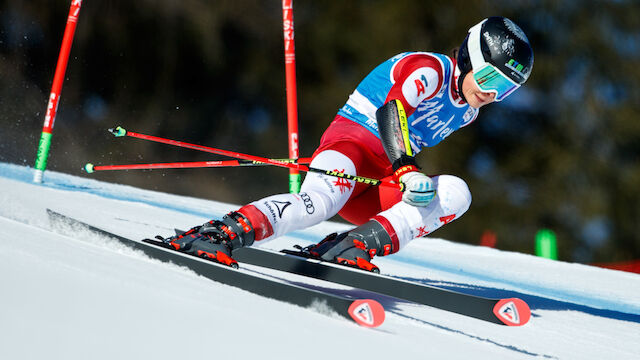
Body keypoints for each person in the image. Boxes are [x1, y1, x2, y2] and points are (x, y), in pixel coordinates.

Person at [166, 16, 534, 271]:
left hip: (380, 182)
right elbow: (391, 112)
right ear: (470, 56)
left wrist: (405, 177)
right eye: (489, 78)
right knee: (319, 205)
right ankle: (222, 232)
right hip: (351, 148)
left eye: (505, 89)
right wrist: (406, 168)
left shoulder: (466, 111)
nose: (490, 93)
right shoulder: (430, 69)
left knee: (456, 193)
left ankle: (353, 245)